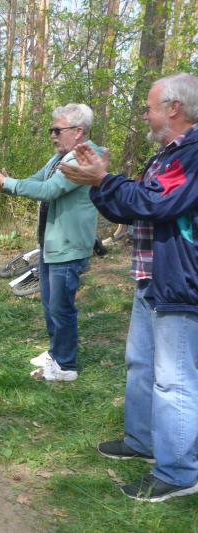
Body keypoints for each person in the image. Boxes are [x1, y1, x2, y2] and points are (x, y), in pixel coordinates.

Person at [59, 73, 198, 502]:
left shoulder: (193, 154)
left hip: (180, 284)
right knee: (140, 364)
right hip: (150, 278)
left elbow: (156, 203)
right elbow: (132, 206)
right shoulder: (164, 157)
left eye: (149, 108)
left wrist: (104, 179)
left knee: (174, 382)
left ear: (174, 108)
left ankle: (178, 472)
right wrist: (98, 183)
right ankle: (143, 440)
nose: (145, 115)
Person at [0, 104, 102, 382]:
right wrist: (6, 183)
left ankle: (65, 366)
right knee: (50, 304)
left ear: (78, 131)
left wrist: (9, 183)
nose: (52, 135)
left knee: (61, 307)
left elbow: (50, 190)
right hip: (51, 244)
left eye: (57, 130)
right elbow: (36, 180)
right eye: (51, 130)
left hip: (68, 247)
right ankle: (56, 353)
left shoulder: (85, 158)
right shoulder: (61, 157)